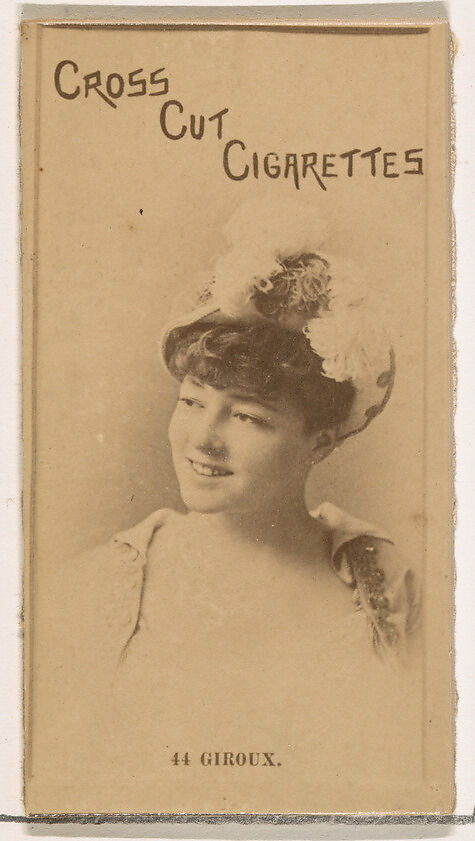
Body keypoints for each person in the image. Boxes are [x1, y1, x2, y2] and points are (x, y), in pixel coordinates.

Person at [36, 212, 423, 813]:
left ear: (320, 440)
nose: (203, 440)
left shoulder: (389, 587)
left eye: (247, 416)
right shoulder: (101, 587)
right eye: (192, 402)